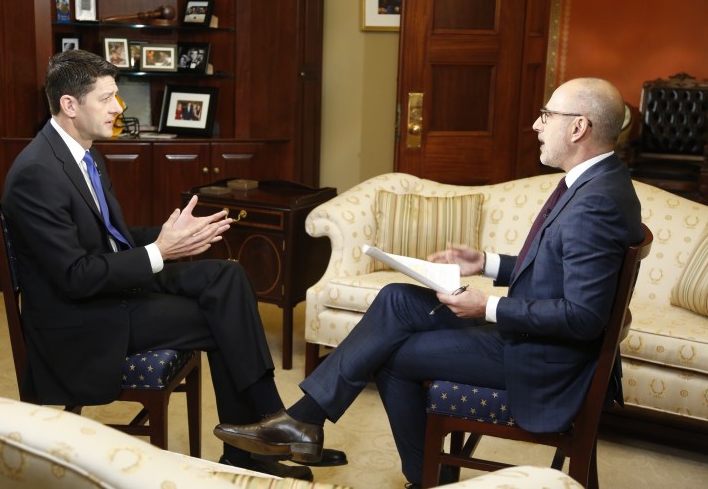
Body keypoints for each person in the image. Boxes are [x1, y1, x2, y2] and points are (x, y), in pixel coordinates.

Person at [213, 78, 644, 487]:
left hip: (546, 362)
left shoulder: (596, 203)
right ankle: (305, 421)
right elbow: (557, 270)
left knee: (393, 355)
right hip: (536, 340)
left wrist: (486, 307)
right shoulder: (596, 184)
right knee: (397, 299)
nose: (537, 125)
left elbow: (583, 317)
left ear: (578, 127)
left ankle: (425, 477)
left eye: (546, 115)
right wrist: (487, 262)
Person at [1, 49, 345, 480]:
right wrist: (160, 252)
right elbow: (74, 277)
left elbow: (109, 239)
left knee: (228, 276)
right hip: (81, 323)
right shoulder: (37, 172)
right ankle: (259, 445)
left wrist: (173, 237)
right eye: (106, 98)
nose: (118, 107)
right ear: (69, 105)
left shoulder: (80, 152)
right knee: (222, 317)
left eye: (117, 96)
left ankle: (268, 430)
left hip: (107, 292)